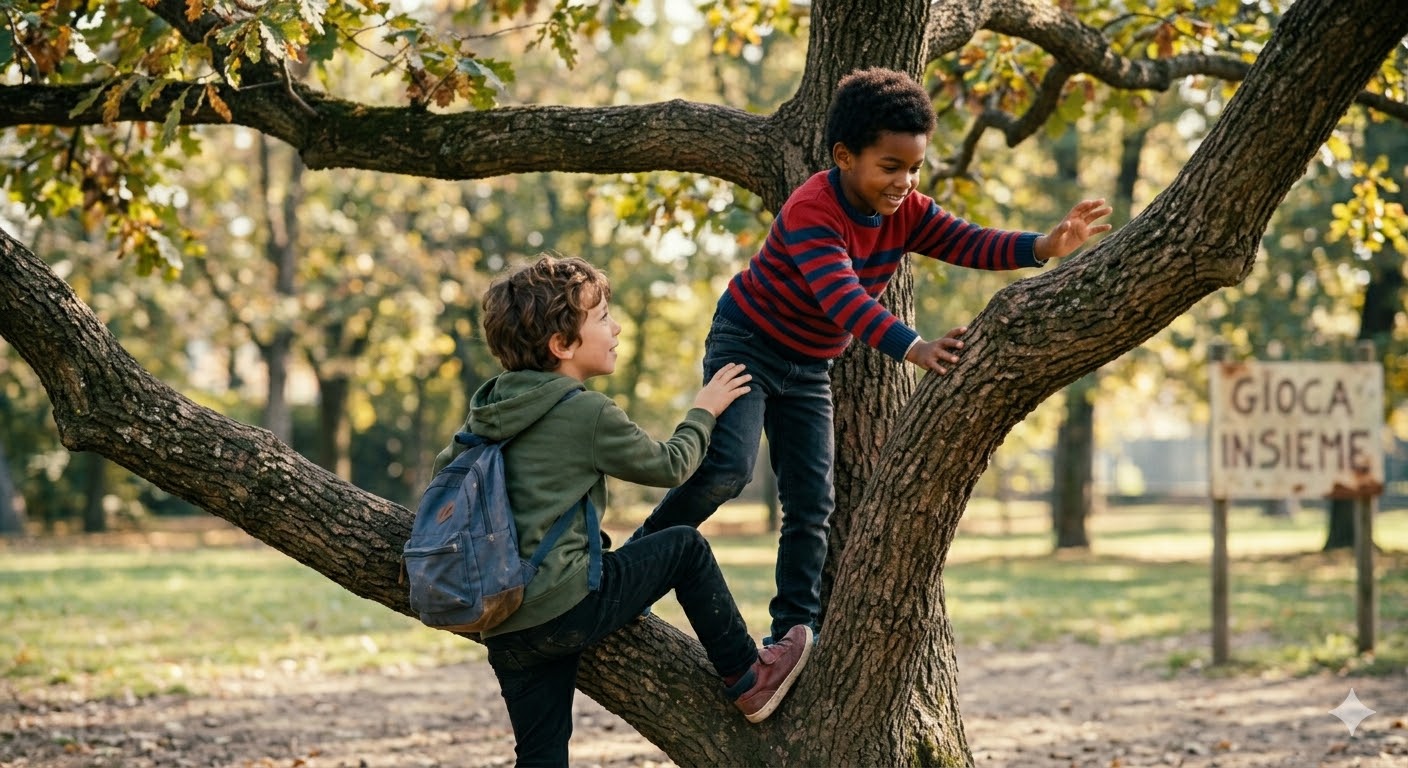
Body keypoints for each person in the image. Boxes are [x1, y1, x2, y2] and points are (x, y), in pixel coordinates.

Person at [629, 67, 1113, 644]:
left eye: (914, 168)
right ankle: (631, 567)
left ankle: (791, 633)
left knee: (813, 503)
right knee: (728, 469)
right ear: (844, 156)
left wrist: (1044, 245)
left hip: (809, 365)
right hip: (748, 345)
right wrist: (916, 347)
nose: (904, 182)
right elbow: (844, 299)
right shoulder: (813, 208)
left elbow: (968, 240)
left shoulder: (907, 209)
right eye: (890, 167)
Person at [434, 253, 813, 767]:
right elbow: (671, 464)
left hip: (504, 622)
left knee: (541, 756)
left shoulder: (486, 410)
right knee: (684, 546)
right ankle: (749, 675)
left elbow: (445, 477)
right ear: (562, 345)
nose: (615, 328)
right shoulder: (584, 410)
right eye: (602, 318)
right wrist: (704, 409)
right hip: (568, 604)